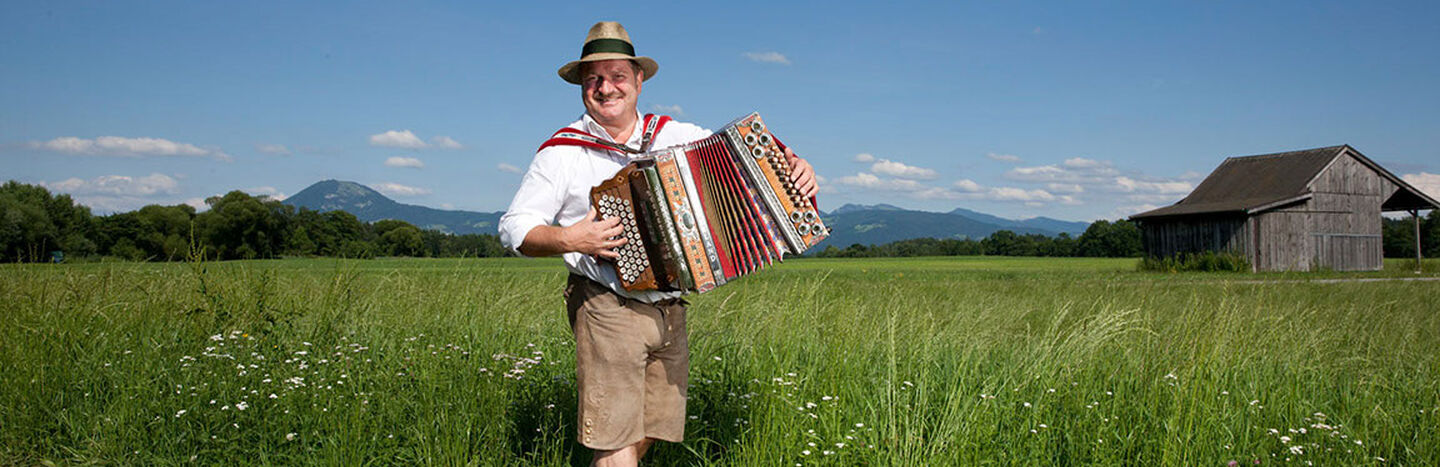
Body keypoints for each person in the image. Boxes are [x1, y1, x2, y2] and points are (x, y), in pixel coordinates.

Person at [498, 21, 818, 467]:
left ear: (638, 81)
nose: (605, 88)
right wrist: (572, 237)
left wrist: (794, 166)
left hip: (669, 308)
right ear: (581, 87)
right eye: (593, 79)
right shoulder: (562, 152)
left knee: (651, 428)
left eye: (617, 77)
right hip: (606, 304)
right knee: (614, 438)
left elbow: (747, 160)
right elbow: (515, 227)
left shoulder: (676, 136)